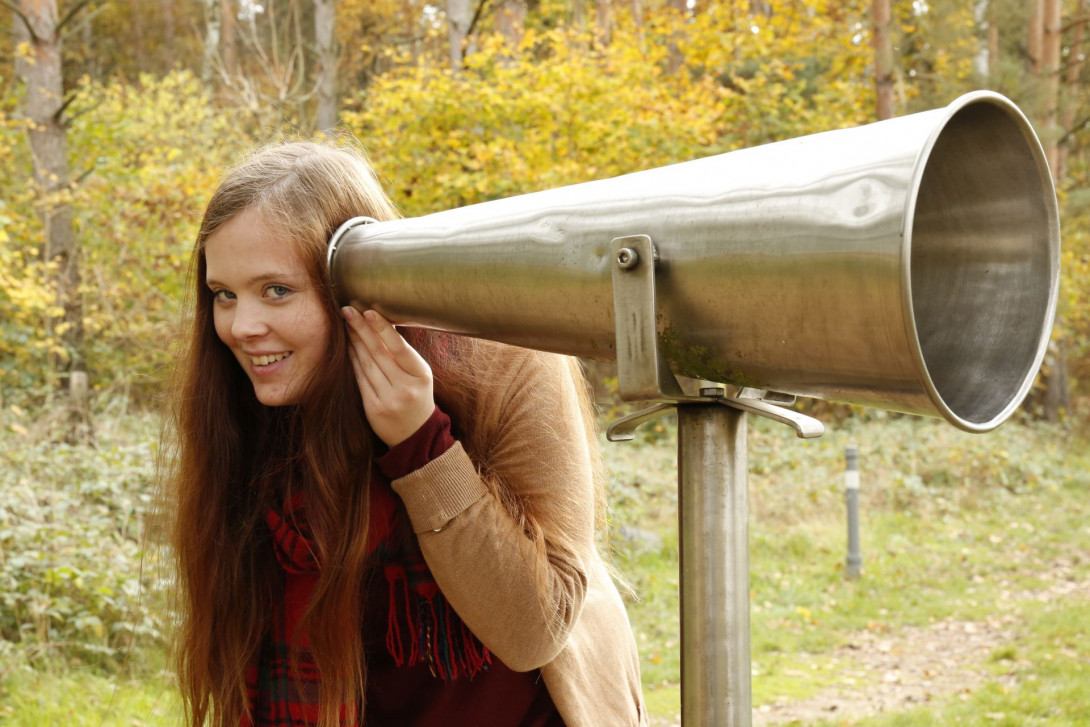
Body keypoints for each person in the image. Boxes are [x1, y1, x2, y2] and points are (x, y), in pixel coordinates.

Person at [163, 139, 647, 727]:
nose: (242, 327)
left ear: (357, 284)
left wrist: (422, 447)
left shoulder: (507, 360)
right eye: (224, 295)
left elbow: (533, 630)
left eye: (277, 290)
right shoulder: (246, 403)